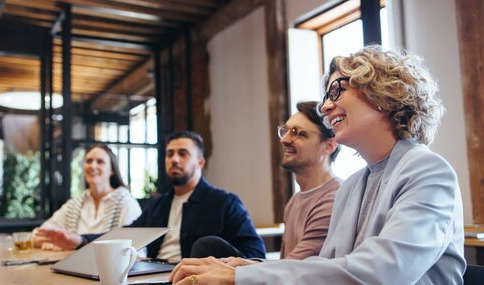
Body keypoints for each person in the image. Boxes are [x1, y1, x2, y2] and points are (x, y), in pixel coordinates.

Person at [169, 45, 465, 285]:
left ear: (383, 93)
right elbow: (329, 268)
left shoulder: (428, 171)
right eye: (326, 96)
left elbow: (384, 272)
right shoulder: (352, 186)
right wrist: (248, 266)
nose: (325, 106)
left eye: (337, 91)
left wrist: (244, 276)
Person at [35, 131, 266, 262]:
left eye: (182, 154)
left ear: (200, 162)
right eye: (170, 154)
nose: (174, 159)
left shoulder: (225, 203)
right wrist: (81, 240)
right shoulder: (159, 205)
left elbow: (256, 255)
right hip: (154, 276)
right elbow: (125, 235)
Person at [33, 143, 142, 251]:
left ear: (112, 170)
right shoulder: (74, 204)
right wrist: (52, 242)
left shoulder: (126, 203)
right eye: (89, 161)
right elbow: (37, 235)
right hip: (73, 266)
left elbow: (137, 247)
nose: (92, 166)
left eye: (100, 162)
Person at [278, 101, 342, 259]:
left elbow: (293, 269)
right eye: (285, 131)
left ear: (329, 146)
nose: (284, 140)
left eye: (297, 132)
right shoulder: (294, 201)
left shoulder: (333, 201)